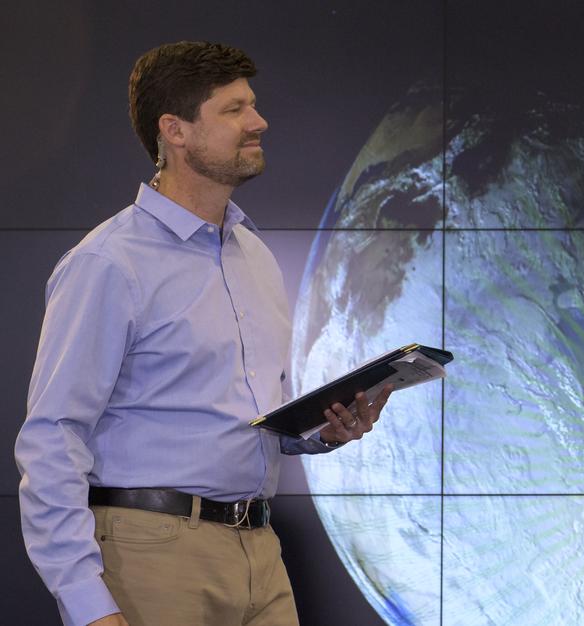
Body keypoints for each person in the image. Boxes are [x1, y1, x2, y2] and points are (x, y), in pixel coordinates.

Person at [14, 41, 392, 626]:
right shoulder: (108, 262)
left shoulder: (254, 256)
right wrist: (86, 603)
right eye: (234, 109)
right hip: (152, 556)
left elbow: (250, 420)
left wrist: (321, 432)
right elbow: (52, 437)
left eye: (253, 105)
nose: (258, 122)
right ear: (176, 131)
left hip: (261, 553)